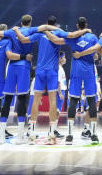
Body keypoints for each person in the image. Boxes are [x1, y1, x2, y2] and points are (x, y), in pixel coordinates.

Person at [16, 16, 88, 144]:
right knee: (53, 101)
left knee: (36, 100)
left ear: (47, 24)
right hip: (52, 72)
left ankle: (31, 134)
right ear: (56, 24)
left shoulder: (39, 34)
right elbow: (72, 35)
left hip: (40, 70)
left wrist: (16, 30)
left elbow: (23, 39)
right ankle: (51, 134)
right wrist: (85, 30)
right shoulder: (58, 32)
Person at [56, 17, 100, 144]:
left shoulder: (73, 38)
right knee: (91, 101)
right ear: (86, 25)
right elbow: (96, 54)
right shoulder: (92, 37)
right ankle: (94, 134)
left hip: (75, 72)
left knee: (73, 101)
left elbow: (59, 40)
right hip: (89, 73)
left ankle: (69, 135)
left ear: (77, 25)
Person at [0, 15, 37, 141]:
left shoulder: (10, 36)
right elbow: (44, 27)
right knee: (21, 99)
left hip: (12, 68)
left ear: (21, 22)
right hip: (24, 68)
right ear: (30, 23)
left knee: (8, 99)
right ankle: (20, 136)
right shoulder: (31, 31)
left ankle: (1, 135)